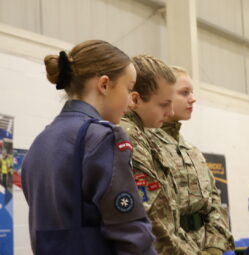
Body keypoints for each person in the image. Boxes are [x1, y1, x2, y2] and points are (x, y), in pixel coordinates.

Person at [21, 40, 156, 254]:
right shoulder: (103, 138)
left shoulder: (40, 142)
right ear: (104, 85)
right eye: (128, 89)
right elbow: (130, 232)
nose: (130, 102)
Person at [147, 66, 234, 254]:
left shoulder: (192, 151)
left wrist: (214, 247)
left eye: (192, 92)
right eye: (184, 92)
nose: (192, 98)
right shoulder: (146, 146)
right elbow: (154, 217)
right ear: (164, 96)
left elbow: (215, 204)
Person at [119, 56, 202, 254]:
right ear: (136, 99)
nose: (170, 111)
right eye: (164, 104)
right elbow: (152, 216)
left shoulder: (139, 134)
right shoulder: (129, 136)